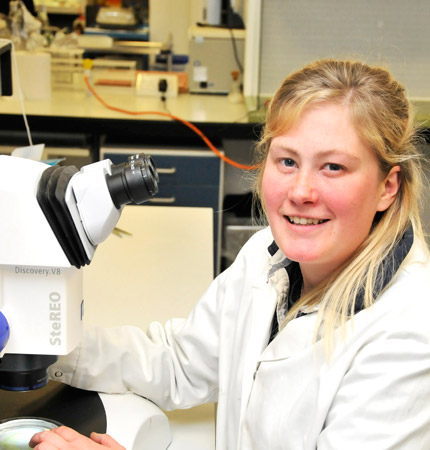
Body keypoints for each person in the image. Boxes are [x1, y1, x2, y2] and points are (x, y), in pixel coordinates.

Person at [30, 59, 430, 449]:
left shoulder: (409, 333)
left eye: (333, 167)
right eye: (287, 161)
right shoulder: (267, 258)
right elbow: (179, 362)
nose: (301, 191)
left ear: (387, 187)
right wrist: (41, 347)